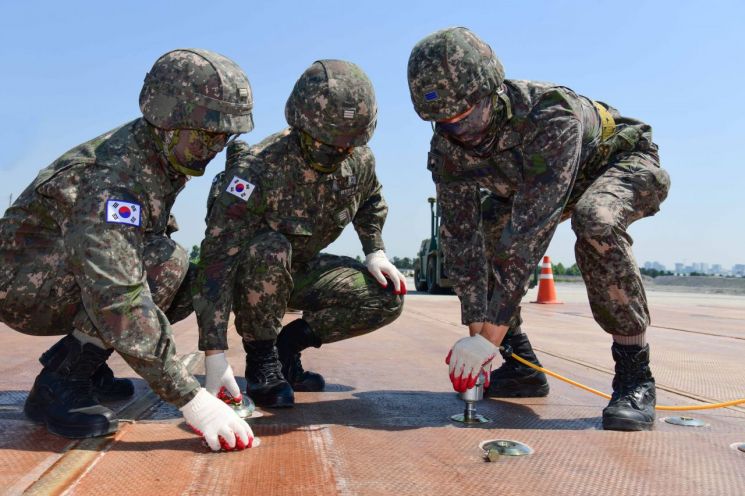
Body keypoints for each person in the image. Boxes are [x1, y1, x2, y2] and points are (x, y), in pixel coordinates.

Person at [407, 28, 670, 431]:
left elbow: (531, 230)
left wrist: (486, 340)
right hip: (536, 186)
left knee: (595, 219)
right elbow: (460, 239)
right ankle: (521, 366)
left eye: (467, 116)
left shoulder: (549, 113)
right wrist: (477, 335)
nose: (461, 131)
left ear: (492, 91)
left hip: (619, 165)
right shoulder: (448, 146)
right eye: (445, 123)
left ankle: (635, 378)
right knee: (489, 226)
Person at [0, 48, 255, 450]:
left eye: (226, 135)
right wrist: (191, 399)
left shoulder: (159, 156)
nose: (217, 145)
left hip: (69, 277)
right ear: (168, 119)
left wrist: (213, 354)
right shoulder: (111, 176)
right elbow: (118, 293)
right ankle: (59, 385)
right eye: (208, 133)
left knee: (177, 270)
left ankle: (84, 361)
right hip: (23, 290)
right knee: (165, 265)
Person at [194, 59, 405, 408]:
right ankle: (262, 359)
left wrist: (375, 250)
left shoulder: (358, 161)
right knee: (270, 247)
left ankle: (286, 348)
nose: (339, 151)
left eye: (348, 144)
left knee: (386, 296)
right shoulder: (257, 170)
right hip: (249, 277)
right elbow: (217, 259)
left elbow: (371, 199)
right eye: (329, 142)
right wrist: (214, 352)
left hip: (300, 270)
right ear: (301, 124)